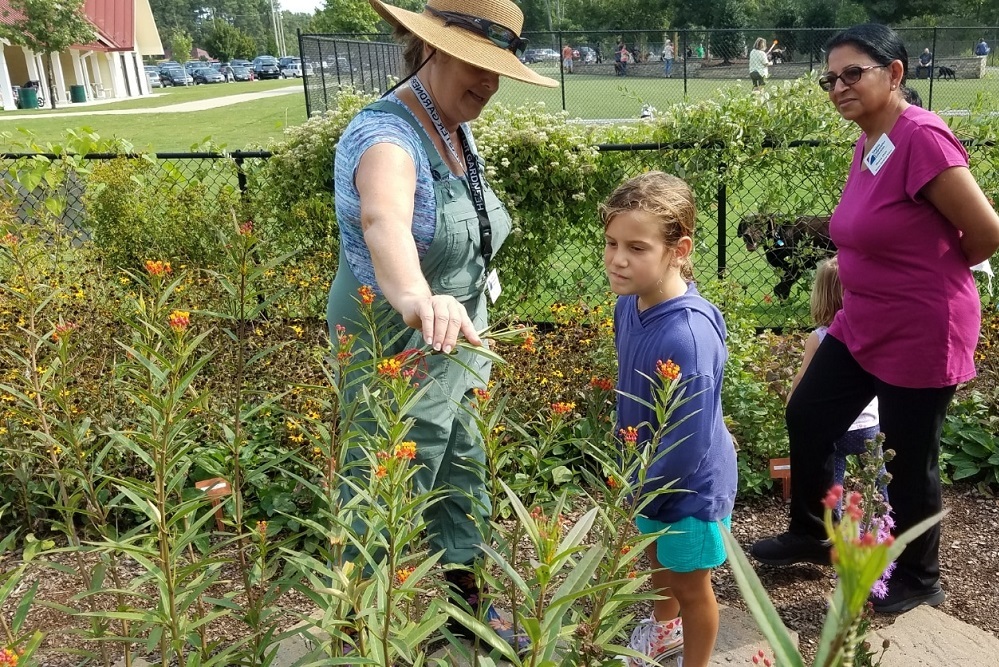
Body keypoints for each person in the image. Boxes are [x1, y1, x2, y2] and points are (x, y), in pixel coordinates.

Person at [325, 0, 557, 650]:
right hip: (396, 339)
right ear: (429, 47)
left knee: (460, 465)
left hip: (454, 339)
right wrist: (416, 297)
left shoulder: (452, 126)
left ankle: (465, 609)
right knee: (385, 480)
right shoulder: (386, 138)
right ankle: (354, 635)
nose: (488, 82)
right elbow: (384, 224)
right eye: (474, 64)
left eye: (497, 68)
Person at [751, 23, 999, 615]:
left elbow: (986, 233)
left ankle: (919, 577)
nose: (838, 86)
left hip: (921, 328)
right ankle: (813, 532)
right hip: (863, 321)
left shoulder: (922, 138)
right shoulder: (872, 140)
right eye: (829, 78)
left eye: (852, 73)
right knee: (810, 415)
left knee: (910, 457)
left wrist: (930, 275)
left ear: (895, 74)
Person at [603, 172, 738, 667]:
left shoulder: (687, 336)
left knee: (691, 584)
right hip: (642, 475)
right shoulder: (629, 302)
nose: (618, 259)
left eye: (637, 247)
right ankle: (663, 633)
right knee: (658, 564)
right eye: (612, 243)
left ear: (679, 249)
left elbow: (690, 441)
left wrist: (641, 487)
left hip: (686, 492)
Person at [790, 256, 885, 514]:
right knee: (878, 476)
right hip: (870, 426)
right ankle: (887, 518)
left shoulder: (819, 337)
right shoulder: (870, 334)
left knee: (834, 482)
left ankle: (832, 529)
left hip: (837, 429)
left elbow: (802, 378)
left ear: (820, 295)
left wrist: (791, 402)